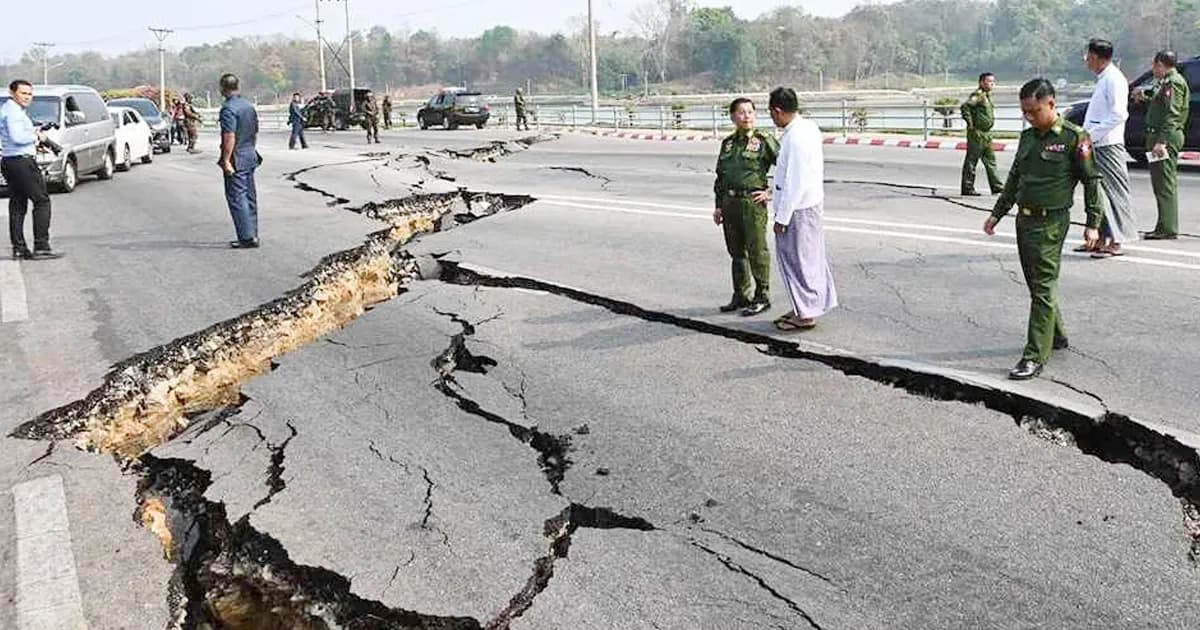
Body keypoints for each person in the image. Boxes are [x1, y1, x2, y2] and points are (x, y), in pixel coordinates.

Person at [984, 79, 1102, 380]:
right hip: (1024, 220)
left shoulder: (1074, 137)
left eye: (1034, 111)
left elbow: (1091, 181)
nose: (1029, 117)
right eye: (1024, 112)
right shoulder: (1028, 138)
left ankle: (1034, 354)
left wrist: (1092, 224)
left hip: (1051, 222)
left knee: (1044, 285)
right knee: (1037, 284)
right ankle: (1056, 335)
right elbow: (1014, 178)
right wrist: (997, 213)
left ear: (1051, 104)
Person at [768, 86, 837, 331]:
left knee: (797, 262)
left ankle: (806, 314)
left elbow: (794, 182)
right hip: (811, 204)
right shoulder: (807, 127)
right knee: (811, 259)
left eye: (771, 113)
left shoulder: (795, 137)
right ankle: (806, 305)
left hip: (798, 209)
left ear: (777, 111)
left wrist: (782, 217)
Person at [712, 97, 779, 316]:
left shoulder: (764, 140)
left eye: (750, 112)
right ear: (733, 117)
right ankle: (741, 295)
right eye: (741, 112)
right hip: (730, 202)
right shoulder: (728, 144)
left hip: (752, 203)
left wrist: (771, 192)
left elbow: (787, 166)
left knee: (757, 249)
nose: (747, 116)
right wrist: (719, 205)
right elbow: (721, 177)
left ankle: (762, 296)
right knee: (736, 251)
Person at [1080, 38, 1136, 258]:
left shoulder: (1114, 79)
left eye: (1087, 56)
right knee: (1097, 192)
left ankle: (1116, 241)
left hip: (1108, 144)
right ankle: (1100, 238)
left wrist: (1092, 135)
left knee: (1114, 193)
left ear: (1094, 57)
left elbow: (1119, 114)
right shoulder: (1104, 79)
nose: (1086, 60)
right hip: (1096, 144)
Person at [0, 80, 61, 260]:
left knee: (18, 204)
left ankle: (19, 248)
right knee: (42, 201)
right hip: (22, 162)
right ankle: (41, 246)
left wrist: (34, 145)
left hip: (11, 160)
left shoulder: (10, 110)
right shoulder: (13, 113)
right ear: (12, 93)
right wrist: (37, 137)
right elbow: (18, 137)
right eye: (23, 93)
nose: (27, 97)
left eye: (29, 94)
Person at [1136, 50, 1190, 240]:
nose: (1153, 70)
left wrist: (1161, 142)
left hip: (1164, 138)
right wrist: (1147, 100)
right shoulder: (1166, 83)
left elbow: (1173, 114)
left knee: (1164, 183)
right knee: (1160, 183)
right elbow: (1162, 107)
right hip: (1158, 136)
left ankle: (1167, 228)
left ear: (1161, 65)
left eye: (1155, 66)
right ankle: (1163, 225)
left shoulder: (1173, 83)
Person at [217, 73, 261, 249]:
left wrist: (226, 160)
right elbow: (254, 132)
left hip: (237, 157)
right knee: (250, 196)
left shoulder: (228, 109)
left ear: (222, 88)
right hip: (249, 153)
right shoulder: (248, 106)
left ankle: (246, 237)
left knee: (237, 197)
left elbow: (229, 136)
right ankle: (253, 232)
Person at [960, 72, 1004, 197]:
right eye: (989, 81)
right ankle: (967, 187)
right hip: (977, 134)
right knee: (972, 161)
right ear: (981, 82)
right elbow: (965, 107)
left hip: (987, 134)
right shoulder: (978, 95)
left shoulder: (987, 96)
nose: (992, 84)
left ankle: (997, 186)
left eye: (993, 82)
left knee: (991, 161)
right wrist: (971, 125)